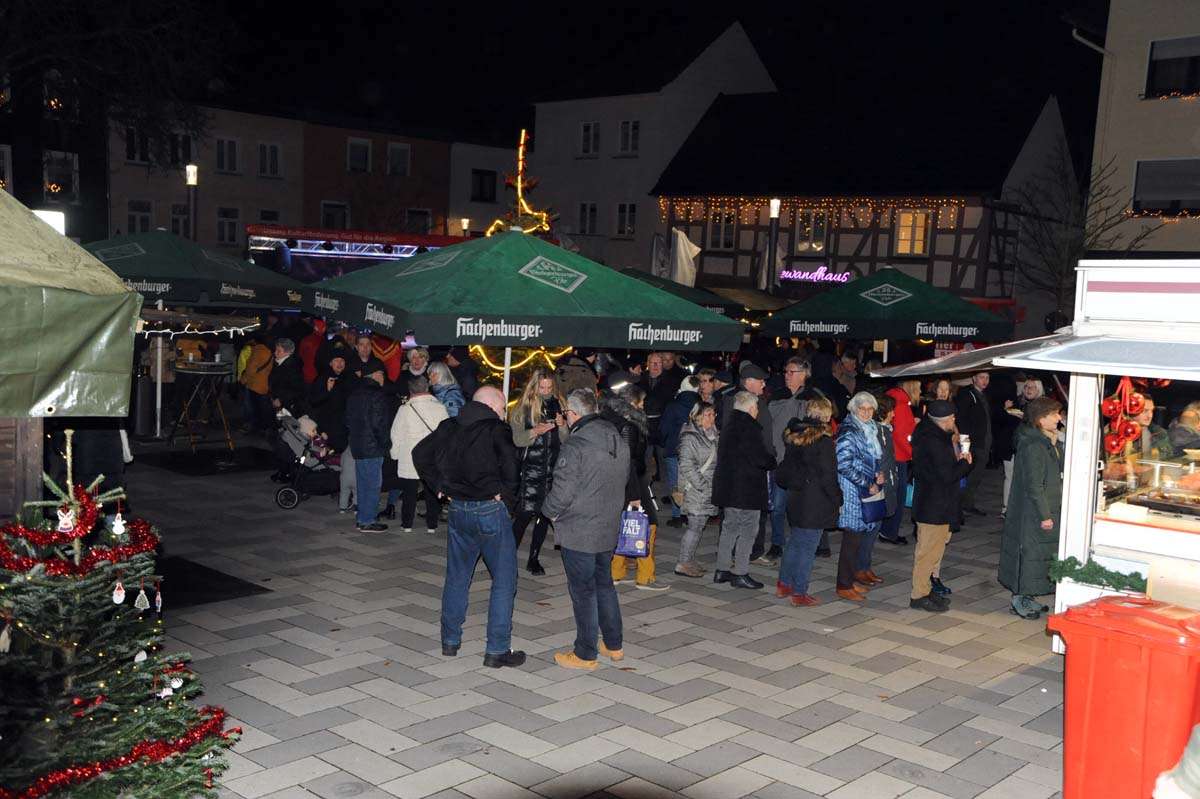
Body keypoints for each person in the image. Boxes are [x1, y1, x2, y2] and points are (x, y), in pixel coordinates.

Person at [412, 386, 524, 668]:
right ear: (491, 406)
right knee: (504, 580)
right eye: (501, 410)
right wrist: (508, 498)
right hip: (489, 510)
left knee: (458, 577)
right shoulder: (496, 430)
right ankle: (497, 650)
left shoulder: (449, 426)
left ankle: (450, 641)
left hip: (458, 510)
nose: (502, 415)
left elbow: (420, 453)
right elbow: (512, 465)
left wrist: (439, 487)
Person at [541, 388, 631, 670]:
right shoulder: (616, 436)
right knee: (604, 585)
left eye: (566, 413)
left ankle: (585, 653)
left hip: (580, 528)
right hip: (608, 524)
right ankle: (614, 645)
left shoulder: (576, 444)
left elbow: (562, 493)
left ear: (574, 413)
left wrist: (548, 512)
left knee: (583, 592)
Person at [999, 396, 1065, 620]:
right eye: (1054, 414)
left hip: (1044, 508)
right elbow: (1035, 484)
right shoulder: (1033, 445)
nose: (1059, 418)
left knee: (1038, 555)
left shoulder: (1047, 441)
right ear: (1041, 418)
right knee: (1027, 553)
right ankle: (1018, 599)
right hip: (1032, 512)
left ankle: (1028, 595)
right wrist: (1045, 515)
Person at [774, 397, 842, 606]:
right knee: (808, 547)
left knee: (795, 542)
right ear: (826, 415)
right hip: (815, 500)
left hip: (796, 496)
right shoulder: (822, 441)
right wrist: (838, 499)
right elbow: (828, 476)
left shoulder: (796, 436)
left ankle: (784, 583)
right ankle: (799, 592)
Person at [603, 378, 668, 591]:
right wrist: (634, 493)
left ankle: (616, 572)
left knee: (625, 524)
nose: (643, 407)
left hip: (620, 482)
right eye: (640, 403)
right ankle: (645, 577)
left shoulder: (613, 419)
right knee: (648, 525)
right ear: (631, 403)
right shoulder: (628, 426)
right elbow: (628, 461)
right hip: (632, 482)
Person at [910, 399, 972, 612]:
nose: (955, 420)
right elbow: (947, 475)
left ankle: (926, 590)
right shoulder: (934, 443)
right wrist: (965, 463)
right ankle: (918, 595)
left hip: (934, 503)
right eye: (952, 417)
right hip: (933, 505)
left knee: (932, 552)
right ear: (944, 420)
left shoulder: (930, 434)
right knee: (927, 553)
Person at [711, 391, 776, 589]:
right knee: (748, 531)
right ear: (750, 409)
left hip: (729, 488)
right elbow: (761, 457)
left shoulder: (729, 425)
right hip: (747, 490)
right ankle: (740, 572)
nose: (757, 411)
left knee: (730, 528)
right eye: (756, 407)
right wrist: (771, 460)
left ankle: (722, 570)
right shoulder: (750, 428)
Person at [509, 368, 570, 575]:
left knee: (544, 515)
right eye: (542, 387)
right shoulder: (523, 407)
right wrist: (536, 431)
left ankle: (533, 558)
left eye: (549, 388)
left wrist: (562, 426)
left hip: (553, 469)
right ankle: (507, 557)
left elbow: (567, 440)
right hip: (529, 470)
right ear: (534, 386)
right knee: (524, 515)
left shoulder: (559, 404)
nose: (546, 391)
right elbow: (517, 439)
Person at [834, 392, 885, 602]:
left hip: (864, 488)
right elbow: (844, 465)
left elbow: (868, 458)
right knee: (851, 540)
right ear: (854, 410)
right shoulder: (849, 431)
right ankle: (843, 585)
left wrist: (876, 474)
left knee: (857, 539)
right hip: (852, 491)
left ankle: (849, 580)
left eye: (870, 409)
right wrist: (868, 482)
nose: (866, 412)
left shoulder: (869, 428)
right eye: (862, 408)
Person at [766, 357, 816, 563]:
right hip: (778, 460)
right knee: (777, 507)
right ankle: (777, 543)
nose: (786, 375)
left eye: (791, 372)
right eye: (785, 371)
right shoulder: (777, 396)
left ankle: (801, 544)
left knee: (800, 506)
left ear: (804, 374)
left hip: (802, 462)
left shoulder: (813, 397)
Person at [388, 375, 448, 533]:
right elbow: (446, 433)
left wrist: (395, 453)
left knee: (409, 492)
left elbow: (396, 433)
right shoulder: (440, 408)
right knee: (431, 490)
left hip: (410, 455)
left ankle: (407, 524)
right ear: (427, 388)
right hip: (432, 455)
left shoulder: (405, 409)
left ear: (410, 390)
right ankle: (432, 524)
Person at [854, 393, 896, 587]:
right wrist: (873, 479)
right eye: (863, 409)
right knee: (867, 528)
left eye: (870, 409)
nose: (894, 414)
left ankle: (864, 566)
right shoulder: (866, 431)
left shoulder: (880, 430)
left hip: (880, 483)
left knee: (874, 526)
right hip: (868, 486)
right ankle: (859, 568)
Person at [674, 401, 719, 578]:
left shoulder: (712, 434)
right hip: (696, 489)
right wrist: (703, 485)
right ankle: (682, 563)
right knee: (694, 527)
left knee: (699, 527)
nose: (713, 418)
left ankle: (689, 559)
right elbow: (686, 465)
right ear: (697, 416)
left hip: (706, 489)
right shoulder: (690, 437)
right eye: (708, 414)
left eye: (714, 414)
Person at [344, 370, 392, 533]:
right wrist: (386, 444)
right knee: (372, 484)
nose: (383, 377)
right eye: (381, 373)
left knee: (363, 483)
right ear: (374, 375)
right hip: (373, 446)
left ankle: (362, 518)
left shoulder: (354, 393)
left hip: (358, 445)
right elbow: (379, 423)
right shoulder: (376, 394)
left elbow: (347, 420)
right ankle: (368, 520)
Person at [880, 379, 920, 544]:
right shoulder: (902, 406)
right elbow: (902, 436)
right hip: (899, 456)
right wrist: (913, 453)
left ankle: (886, 529)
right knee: (898, 494)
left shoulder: (893, 400)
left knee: (892, 493)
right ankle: (890, 532)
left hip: (892, 455)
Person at [658, 376, 701, 526]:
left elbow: (664, 428)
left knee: (675, 481)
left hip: (674, 448)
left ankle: (677, 516)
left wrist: (663, 442)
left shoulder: (672, 406)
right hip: (695, 450)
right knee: (692, 482)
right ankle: (690, 514)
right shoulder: (701, 406)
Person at [999, 377, 1044, 518]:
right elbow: (1002, 423)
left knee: (1027, 478)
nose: (1028, 390)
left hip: (1030, 448)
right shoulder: (1016, 402)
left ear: (1039, 390)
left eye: (1032, 387)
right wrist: (1005, 410)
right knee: (1009, 476)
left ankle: (1023, 508)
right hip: (1012, 446)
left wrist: (1025, 417)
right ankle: (1006, 508)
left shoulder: (1042, 405)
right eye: (1026, 387)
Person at [955, 370, 991, 516]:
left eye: (987, 378)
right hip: (972, 441)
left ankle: (967, 503)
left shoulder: (984, 395)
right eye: (982, 377)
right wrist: (965, 440)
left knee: (977, 474)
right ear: (974, 378)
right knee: (970, 473)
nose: (985, 381)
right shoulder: (966, 394)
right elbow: (962, 418)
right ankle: (961, 504)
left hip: (984, 440)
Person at [639, 352, 675, 481]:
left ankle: (668, 489)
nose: (655, 365)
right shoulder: (639, 379)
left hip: (662, 426)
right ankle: (645, 487)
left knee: (663, 459)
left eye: (658, 363)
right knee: (644, 458)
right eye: (652, 363)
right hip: (644, 425)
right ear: (647, 364)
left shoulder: (671, 381)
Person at [308, 353, 351, 456]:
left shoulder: (348, 377)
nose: (340, 363)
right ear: (331, 363)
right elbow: (313, 402)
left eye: (342, 360)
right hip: (328, 427)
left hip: (344, 426)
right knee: (330, 455)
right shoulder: (323, 378)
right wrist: (327, 390)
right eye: (336, 360)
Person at [238, 334, 272, 432]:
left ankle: (254, 428)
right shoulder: (268, 351)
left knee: (252, 409)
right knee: (260, 409)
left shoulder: (258, 351)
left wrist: (243, 380)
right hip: (264, 384)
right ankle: (260, 428)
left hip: (255, 385)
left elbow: (250, 370)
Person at [268, 338, 307, 418]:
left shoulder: (292, 367)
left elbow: (297, 389)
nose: (275, 353)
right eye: (276, 350)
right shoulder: (279, 363)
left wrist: (281, 399)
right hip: (278, 403)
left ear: (288, 353)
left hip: (287, 406)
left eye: (279, 351)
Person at [1134, 393, 1173, 459]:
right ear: (1131, 410)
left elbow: (1168, 459)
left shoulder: (1160, 434)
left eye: (1151, 411)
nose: (1150, 415)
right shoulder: (1118, 435)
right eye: (1145, 411)